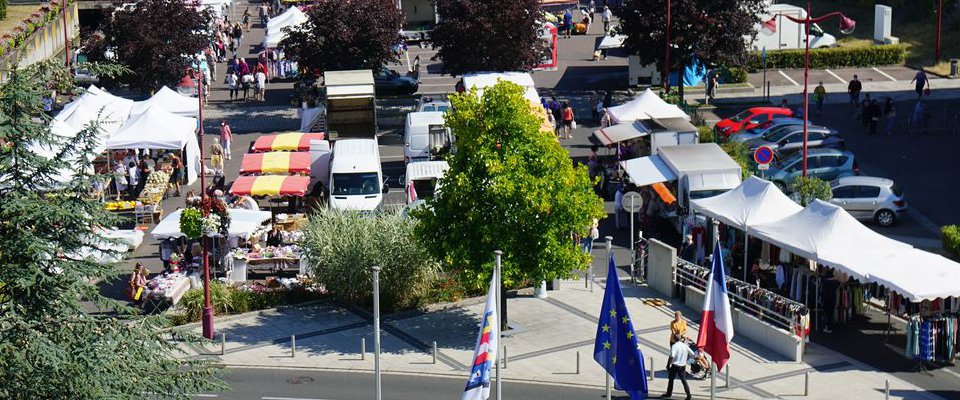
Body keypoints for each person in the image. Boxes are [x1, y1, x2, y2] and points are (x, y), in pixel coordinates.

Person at [663, 333, 695, 400]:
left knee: (671, 379)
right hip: (683, 366)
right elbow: (692, 354)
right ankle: (688, 394)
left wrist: (669, 364)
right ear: (680, 339)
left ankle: (669, 393)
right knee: (684, 380)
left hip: (675, 366)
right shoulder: (685, 346)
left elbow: (672, 356)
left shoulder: (674, 346)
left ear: (674, 339)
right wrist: (686, 360)